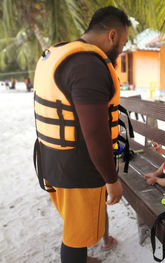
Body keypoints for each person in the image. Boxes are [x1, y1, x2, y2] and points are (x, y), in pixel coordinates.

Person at [33, 6, 131, 263]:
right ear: (112, 35)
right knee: (75, 235)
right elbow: (95, 131)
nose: (121, 50)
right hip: (77, 169)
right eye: (123, 43)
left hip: (52, 159)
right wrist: (111, 178)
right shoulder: (88, 66)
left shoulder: (58, 53)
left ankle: (80, 258)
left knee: (74, 225)